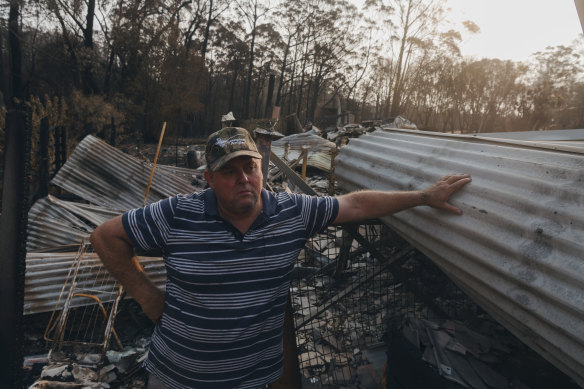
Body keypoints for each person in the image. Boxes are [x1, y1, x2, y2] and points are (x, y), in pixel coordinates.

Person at [90, 127, 471, 389]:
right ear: (208, 178)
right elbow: (106, 236)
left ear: (262, 168)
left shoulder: (291, 212)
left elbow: (355, 203)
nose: (243, 178)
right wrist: (147, 296)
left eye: (249, 167)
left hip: (252, 380)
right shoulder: (176, 214)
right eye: (229, 172)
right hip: (178, 376)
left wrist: (424, 196)